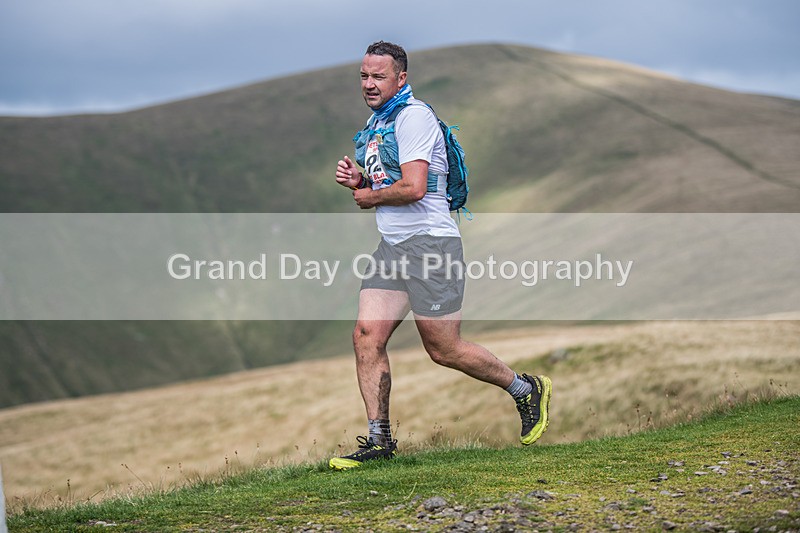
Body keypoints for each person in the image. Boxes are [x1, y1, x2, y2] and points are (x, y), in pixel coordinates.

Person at [330, 41, 551, 470]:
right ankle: (379, 441)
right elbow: (391, 181)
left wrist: (369, 197)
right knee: (366, 336)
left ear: (401, 79)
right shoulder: (379, 122)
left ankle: (526, 390)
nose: (369, 84)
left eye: (378, 76)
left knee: (444, 349)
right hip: (393, 247)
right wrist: (361, 181)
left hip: (431, 246)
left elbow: (414, 188)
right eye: (364, 76)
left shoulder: (413, 117)